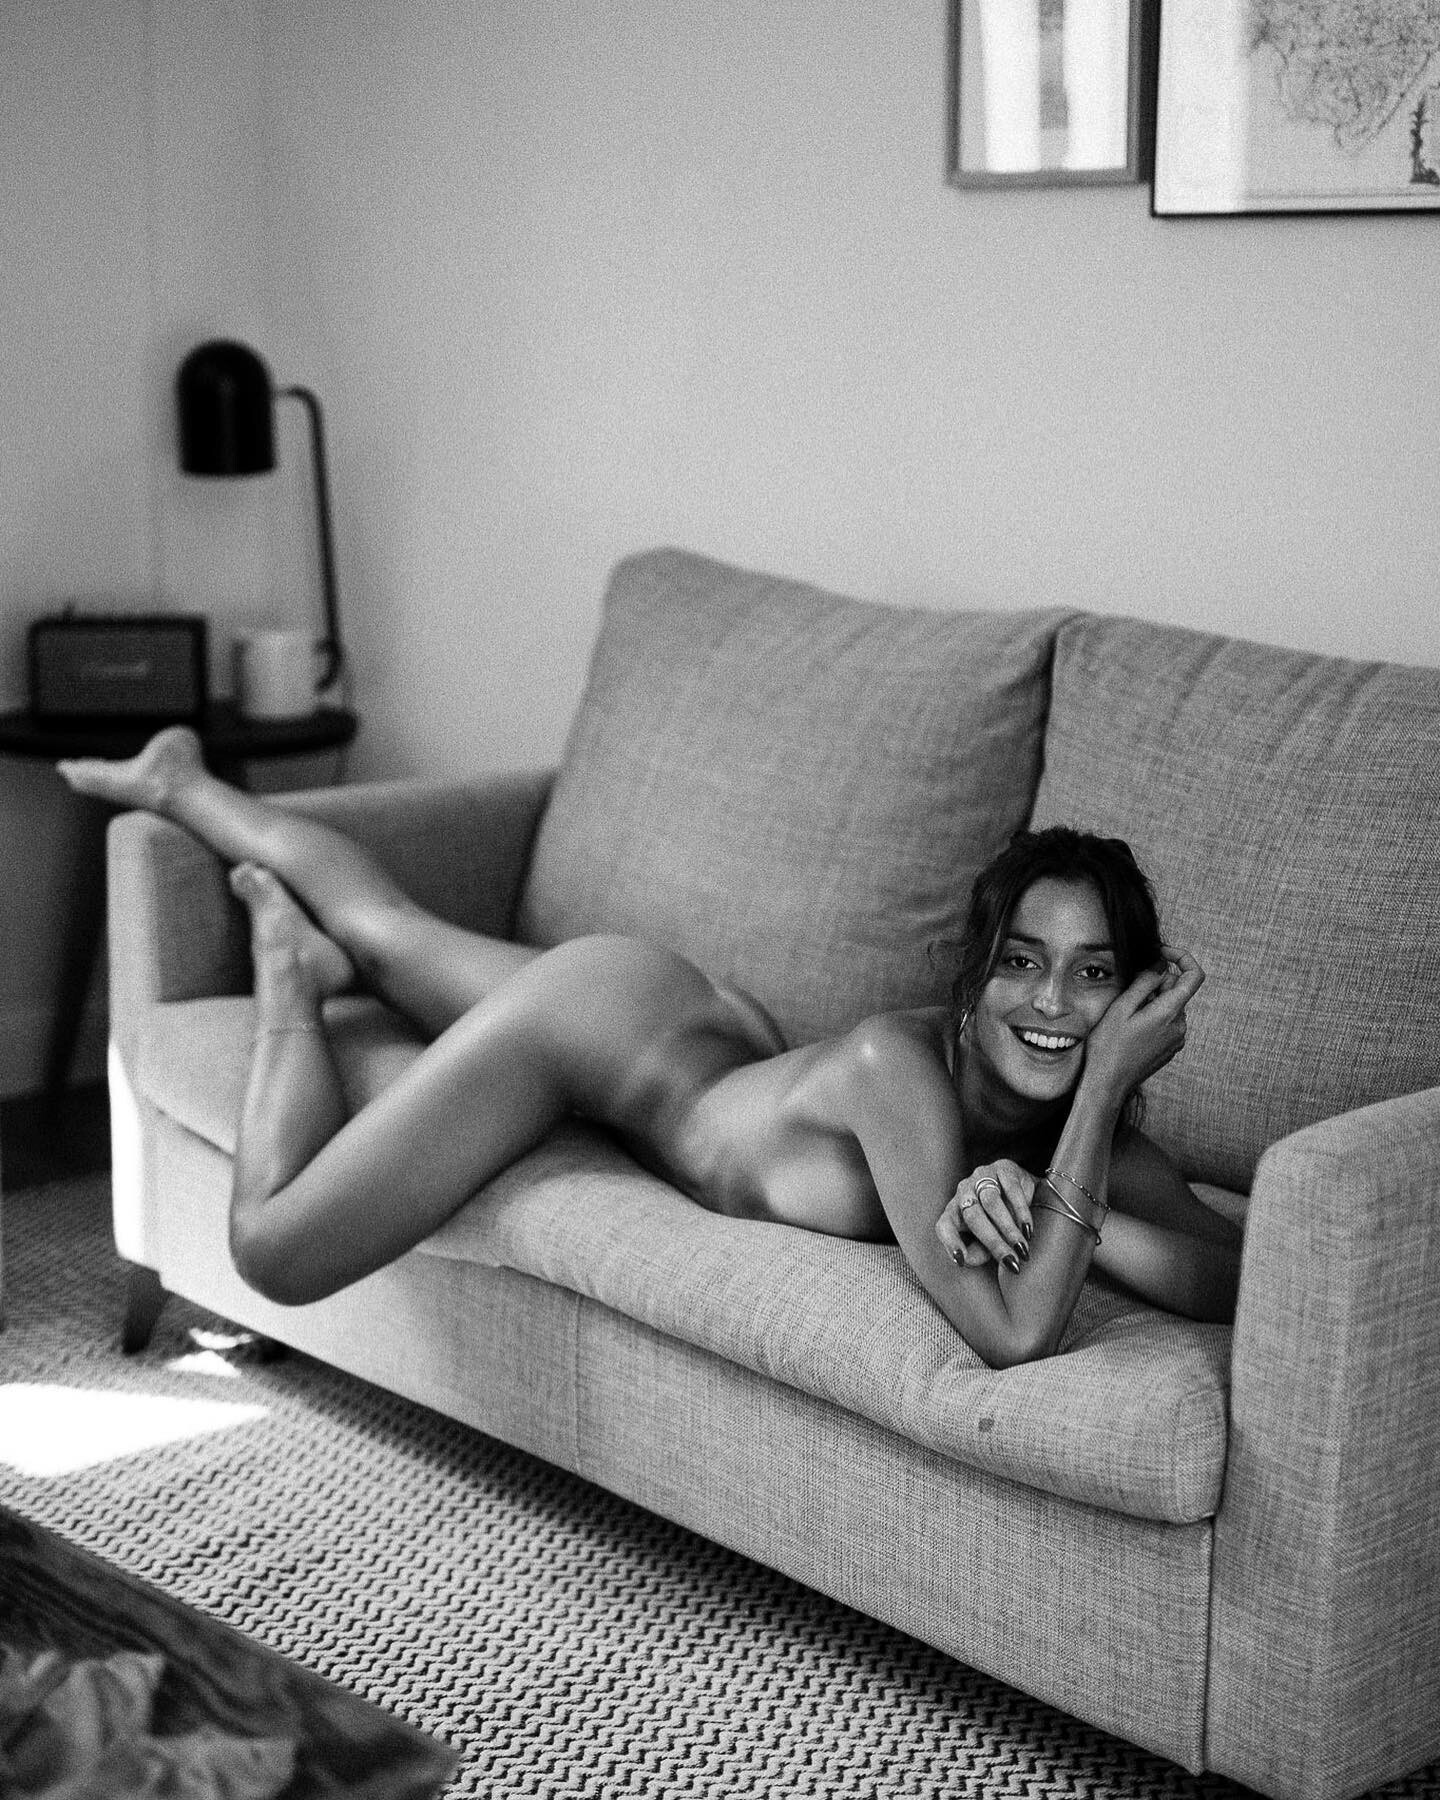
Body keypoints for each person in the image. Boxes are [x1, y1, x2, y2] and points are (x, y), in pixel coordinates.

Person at [59, 728, 1241, 1369]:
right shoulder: (901, 1070)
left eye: (1095, 975)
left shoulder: (1066, 1153)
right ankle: (286, 974)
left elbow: (1231, 1276)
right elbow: (1014, 1331)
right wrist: (1100, 1100)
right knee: (276, 1250)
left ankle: (182, 779)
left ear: (1132, 994)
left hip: (695, 1031)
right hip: (599, 1025)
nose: (1054, 1002)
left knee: (391, 935)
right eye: (1022, 961)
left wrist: (1064, 1185)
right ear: (974, 977)